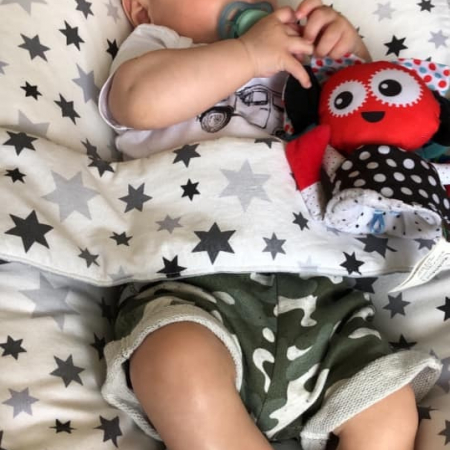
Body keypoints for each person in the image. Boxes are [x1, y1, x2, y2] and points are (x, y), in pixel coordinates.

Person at [98, 1, 441, 449]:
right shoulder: (158, 47)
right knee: (174, 362)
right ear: (142, 8)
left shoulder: (300, 61)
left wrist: (347, 56)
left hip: (322, 299)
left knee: (388, 405)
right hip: (192, 285)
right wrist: (246, 54)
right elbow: (137, 101)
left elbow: (365, 124)